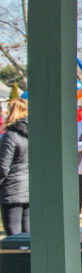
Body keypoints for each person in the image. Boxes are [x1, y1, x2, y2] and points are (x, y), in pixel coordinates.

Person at [0, 99, 29, 235]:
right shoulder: (32, 134)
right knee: (28, 235)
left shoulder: (10, 136)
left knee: (13, 235)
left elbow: (3, 167)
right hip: (28, 188)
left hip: (12, 189)